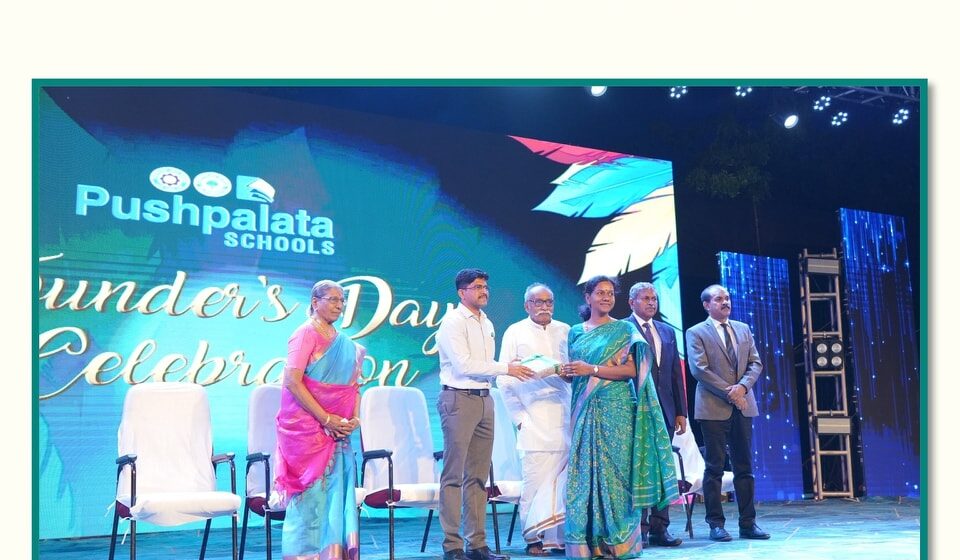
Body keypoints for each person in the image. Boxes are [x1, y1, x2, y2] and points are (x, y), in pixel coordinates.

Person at [562, 275, 678, 560]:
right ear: (587, 297)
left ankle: (619, 542)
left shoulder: (625, 329)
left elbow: (632, 370)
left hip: (618, 410)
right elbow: (577, 374)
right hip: (585, 410)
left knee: (616, 476)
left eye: (610, 293)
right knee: (584, 475)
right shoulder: (575, 332)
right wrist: (568, 372)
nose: (606, 297)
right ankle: (588, 543)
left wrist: (592, 369)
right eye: (600, 292)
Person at [435, 268, 535, 560]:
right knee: (453, 475)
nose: (484, 291)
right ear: (461, 292)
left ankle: (477, 544)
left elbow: (484, 364)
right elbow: (464, 365)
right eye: (477, 287)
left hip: (484, 399)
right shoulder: (452, 322)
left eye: (486, 287)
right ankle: (452, 546)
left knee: (478, 477)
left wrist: (508, 366)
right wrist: (506, 368)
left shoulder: (486, 322)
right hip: (458, 398)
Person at [274, 280, 365, 560]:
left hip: (338, 432)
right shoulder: (304, 334)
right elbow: (292, 380)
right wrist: (326, 419)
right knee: (311, 499)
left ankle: (332, 555)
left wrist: (354, 419)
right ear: (315, 302)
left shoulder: (345, 344)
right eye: (333, 299)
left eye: (342, 300)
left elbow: (354, 386)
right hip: (307, 431)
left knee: (336, 496)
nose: (339, 305)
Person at [685, 284, 770, 542]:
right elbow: (699, 369)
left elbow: (755, 362)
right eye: (719, 299)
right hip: (713, 408)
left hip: (743, 406)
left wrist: (742, 388)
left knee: (745, 467)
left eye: (727, 298)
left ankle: (748, 523)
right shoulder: (696, 332)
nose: (725, 302)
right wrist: (730, 392)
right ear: (706, 305)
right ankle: (716, 524)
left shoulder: (742, 328)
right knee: (714, 468)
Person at [496, 283, 571, 556]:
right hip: (533, 419)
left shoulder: (566, 330)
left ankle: (559, 538)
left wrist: (566, 373)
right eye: (538, 302)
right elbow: (504, 379)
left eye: (548, 302)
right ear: (526, 305)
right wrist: (519, 419)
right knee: (535, 483)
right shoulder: (515, 331)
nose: (544, 307)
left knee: (562, 483)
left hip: (564, 416)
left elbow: (573, 373)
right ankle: (533, 538)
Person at [624, 282, 688, 548]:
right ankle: (639, 528)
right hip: (635, 409)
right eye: (645, 298)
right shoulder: (623, 329)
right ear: (632, 302)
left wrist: (681, 412)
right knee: (639, 468)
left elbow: (675, 374)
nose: (651, 302)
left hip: (666, 409)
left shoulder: (666, 330)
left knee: (663, 468)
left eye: (654, 298)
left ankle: (660, 528)